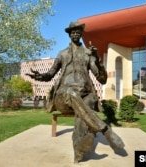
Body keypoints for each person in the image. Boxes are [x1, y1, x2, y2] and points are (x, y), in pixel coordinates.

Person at [26, 21, 124, 163]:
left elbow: (102, 80)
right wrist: (40, 76)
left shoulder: (88, 54)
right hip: (63, 97)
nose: (75, 33)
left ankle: (79, 151)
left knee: (88, 103)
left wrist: (97, 60)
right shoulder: (62, 54)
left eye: (78, 30)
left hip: (84, 96)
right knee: (73, 95)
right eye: (73, 31)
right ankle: (105, 130)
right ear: (69, 34)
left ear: (81, 33)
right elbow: (50, 74)